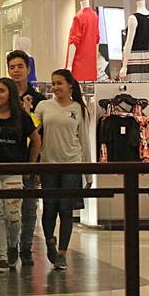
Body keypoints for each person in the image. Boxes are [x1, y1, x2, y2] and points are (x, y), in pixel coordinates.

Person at [0, 77, 41, 273]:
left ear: (10, 93)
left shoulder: (22, 117)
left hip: (14, 171)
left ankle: (13, 245)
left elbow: (36, 140)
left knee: (13, 215)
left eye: (1, 90)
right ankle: (3, 257)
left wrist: (31, 165)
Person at [35, 69, 91, 271]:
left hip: (72, 163)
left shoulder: (79, 109)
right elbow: (33, 131)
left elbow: (84, 139)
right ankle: (50, 240)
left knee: (66, 208)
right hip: (49, 163)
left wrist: (88, 171)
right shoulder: (43, 106)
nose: (56, 87)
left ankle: (62, 253)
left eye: (59, 83)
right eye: (53, 83)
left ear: (69, 85)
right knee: (49, 207)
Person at [6, 49, 45, 265]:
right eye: (12, 67)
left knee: (30, 207)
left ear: (28, 69)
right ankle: (10, 248)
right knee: (9, 210)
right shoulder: (2, 97)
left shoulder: (39, 99)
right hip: (9, 160)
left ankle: (26, 248)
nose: (16, 70)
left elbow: (40, 133)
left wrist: (36, 163)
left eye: (20, 66)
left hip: (31, 160)